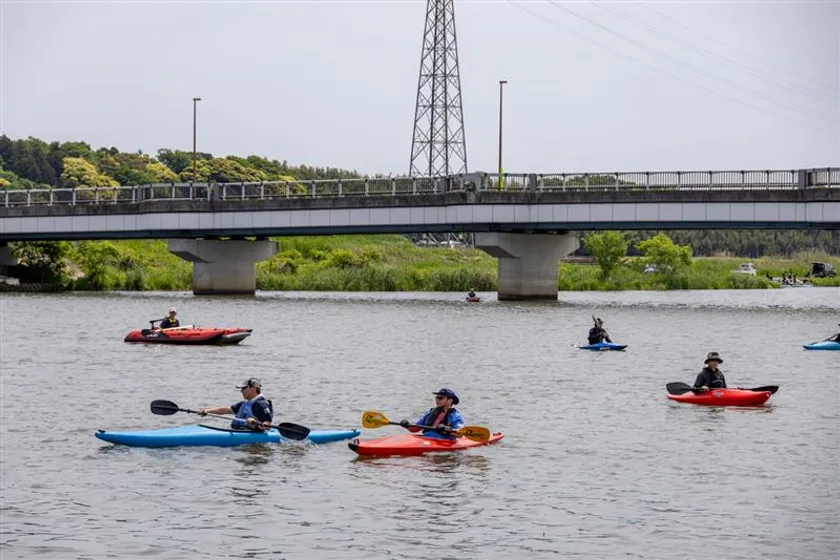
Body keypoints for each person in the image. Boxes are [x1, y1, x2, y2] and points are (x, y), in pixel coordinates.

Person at [198, 377, 273, 430]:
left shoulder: (261, 404)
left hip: (249, 433)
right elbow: (225, 410)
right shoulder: (245, 403)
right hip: (238, 431)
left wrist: (255, 424)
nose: (241, 391)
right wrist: (206, 411)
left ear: (253, 388)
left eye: (244, 388)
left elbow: (268, 426)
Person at [399, 388, 464, 440]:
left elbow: (460, 434)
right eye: (436, 397)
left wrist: (447, 430)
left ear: (450, 400)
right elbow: (416, 429)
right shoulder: (429, 412)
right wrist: (407, 425)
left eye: (440, 398)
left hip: (443, 441)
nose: (437, 400)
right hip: (426, 439)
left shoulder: (456, 415)